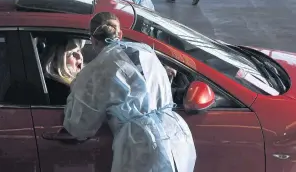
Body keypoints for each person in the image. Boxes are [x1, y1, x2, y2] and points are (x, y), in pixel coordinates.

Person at [63, 12, 196, 172]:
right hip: (176, 140)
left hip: (140, 148)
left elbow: (79, 127)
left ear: (92, 39)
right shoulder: (147, 52)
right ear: (120, 33)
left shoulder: (95, 70)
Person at [42, 39, 85, 105]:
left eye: (79, 50)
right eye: (71, 54)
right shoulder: (63, 91)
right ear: (55, 62)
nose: (79, 56)